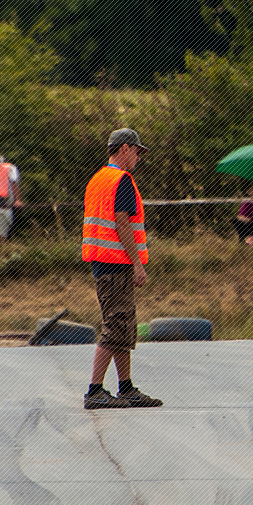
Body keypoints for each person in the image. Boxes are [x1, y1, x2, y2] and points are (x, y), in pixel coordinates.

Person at [81, 128, 161, 410]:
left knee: (123, 324)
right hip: (116, 262)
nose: (139, 158)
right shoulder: (122, 180)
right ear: (125, 149)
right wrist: (137, 263)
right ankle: (94, 390)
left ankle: (126, 387)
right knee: (116, 324)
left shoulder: (98, 179)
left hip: (102, 261)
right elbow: (122, 221)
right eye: (137, 152)